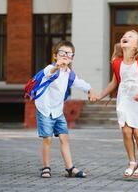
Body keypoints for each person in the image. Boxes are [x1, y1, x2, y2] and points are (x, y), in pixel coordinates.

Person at [35, 40, 98, 178]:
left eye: (69, 54)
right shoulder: (49, 69)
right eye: (62, 53)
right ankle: (46, 167)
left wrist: (90, 90)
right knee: (47, 139)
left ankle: (69, 168)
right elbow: (48, 73)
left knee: (65, 138)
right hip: (44, 110)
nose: (65, 56)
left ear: (72, 58)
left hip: (58, 111)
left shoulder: (69, 73)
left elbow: (79, 83)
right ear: (55, 55)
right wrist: (57, 67)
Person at [99, 30, 138, 179]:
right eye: (124, 35)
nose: (126, 37)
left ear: (137, 45)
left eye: (131, 36)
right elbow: (114, 82)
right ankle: (132, 162)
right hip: (124, 99)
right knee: (126, 131)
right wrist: (100, 96)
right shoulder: (117, 62)